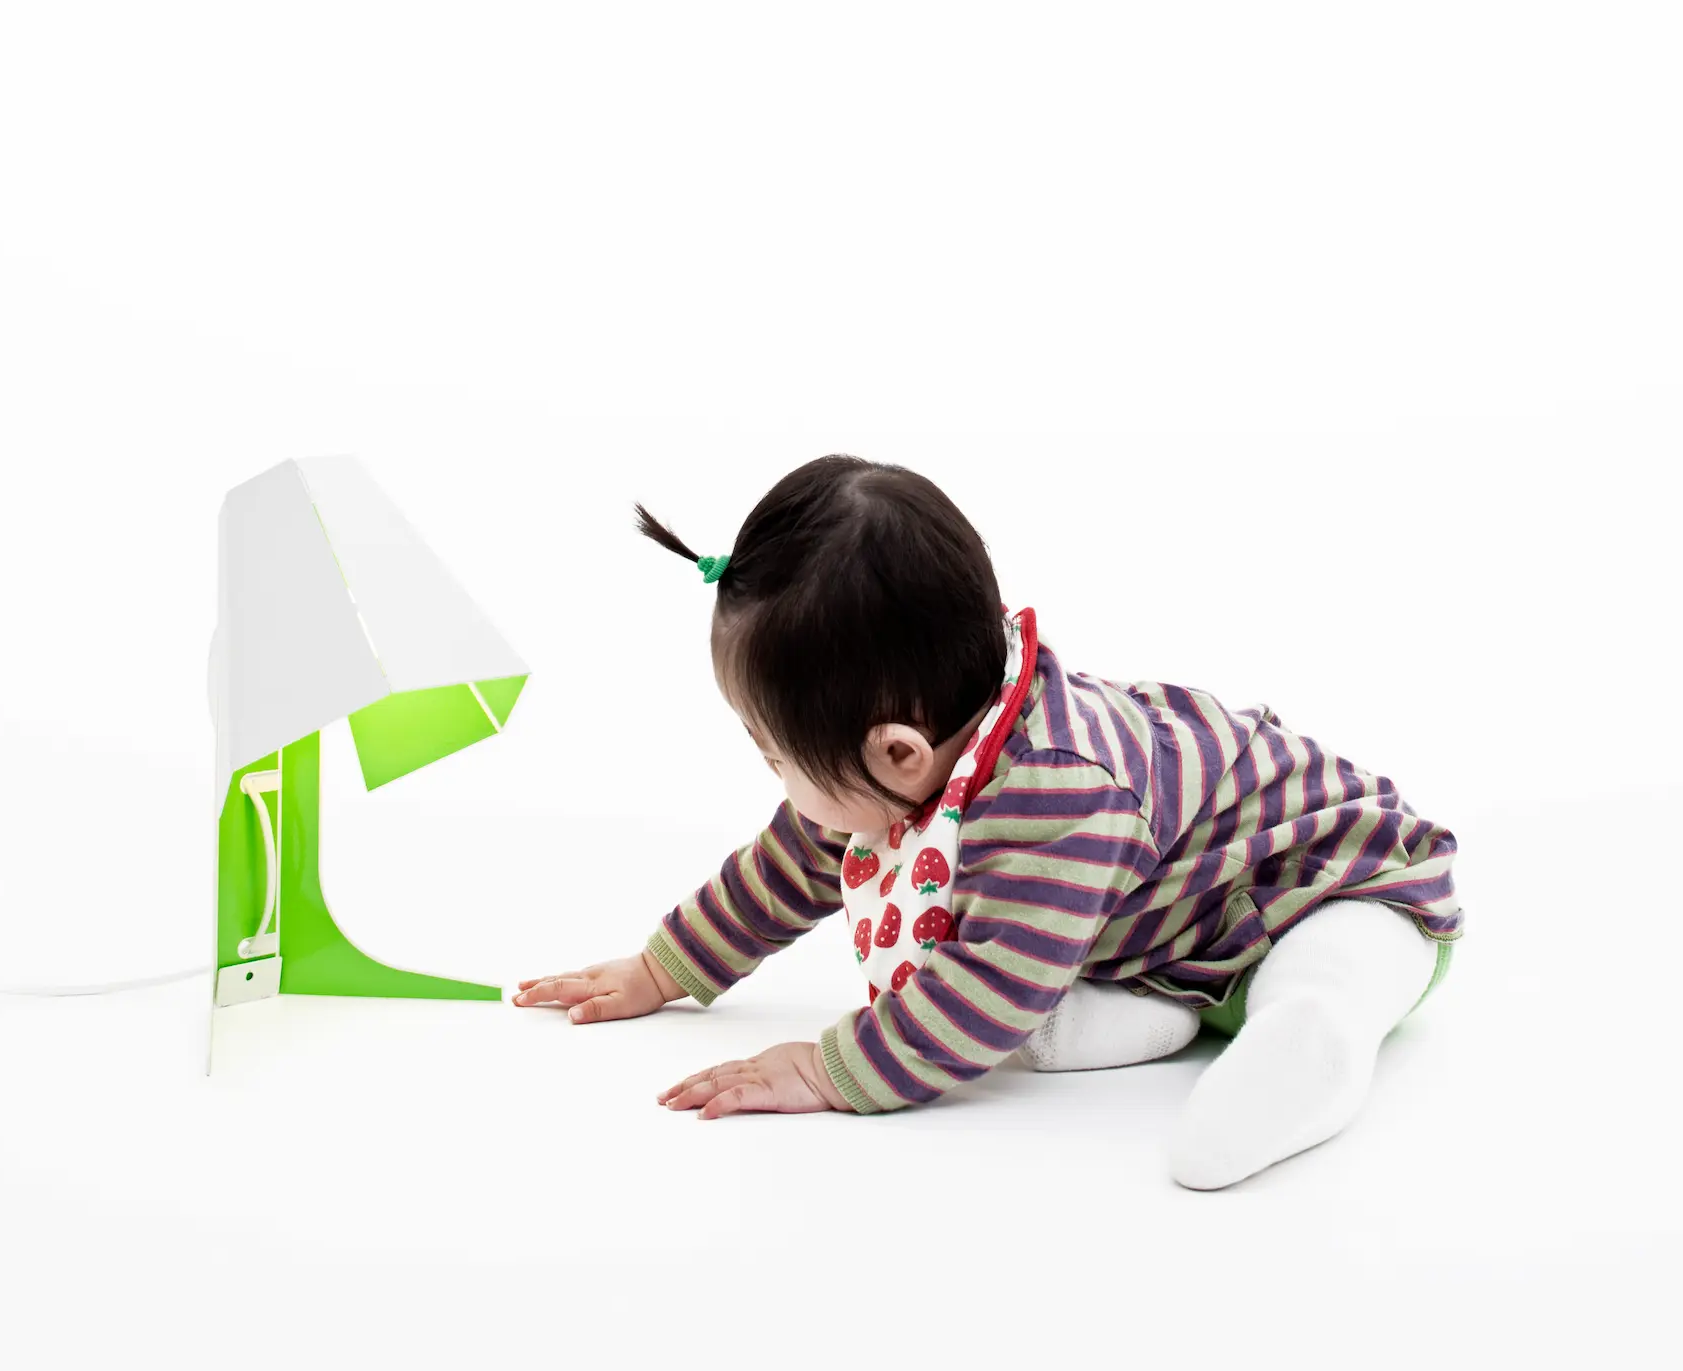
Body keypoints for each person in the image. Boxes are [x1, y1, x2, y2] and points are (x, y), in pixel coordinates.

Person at [514, 455, 1462, 1189]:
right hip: (1183, 935)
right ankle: (1157, 1012)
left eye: (773, 757)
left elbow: (983, 984)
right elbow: (792, 861)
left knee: (1322, 965)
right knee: (1024, 995)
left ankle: (1313, 1040)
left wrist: (827, 1068)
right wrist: (664, 967)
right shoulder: (928, 742)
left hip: (1340, 883)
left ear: (897, 752)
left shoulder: (1056, 795)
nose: (779, 784)